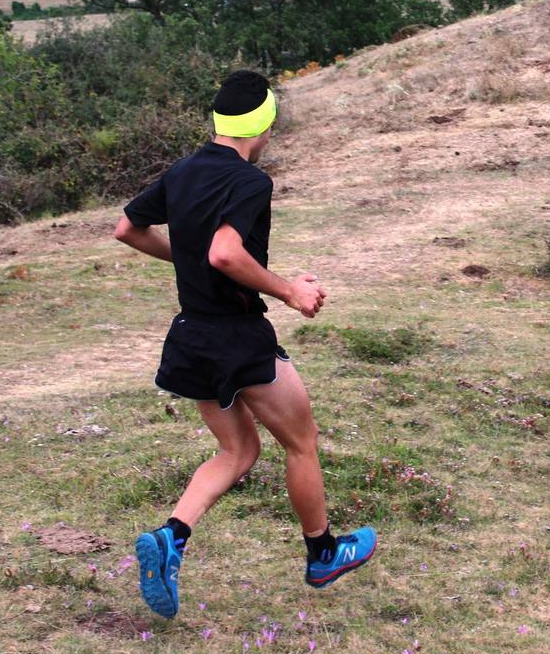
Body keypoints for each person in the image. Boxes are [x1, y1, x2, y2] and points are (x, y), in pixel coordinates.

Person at [114, 70, 375, 619]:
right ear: (266, 124)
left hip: (192, 335)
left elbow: (128, 229)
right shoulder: (250, 182)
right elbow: (225, 254)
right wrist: (288, 291)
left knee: (239, 451)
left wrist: (182, 255)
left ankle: (170, 538)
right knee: (302, 441)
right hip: (237, 336)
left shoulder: (183, 172)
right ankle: (323, 552)